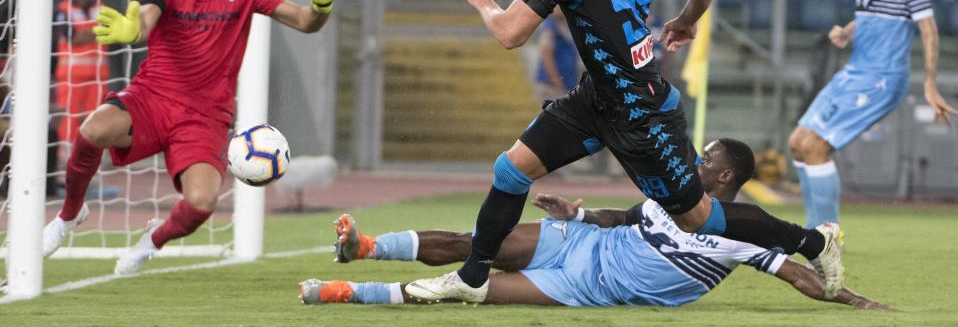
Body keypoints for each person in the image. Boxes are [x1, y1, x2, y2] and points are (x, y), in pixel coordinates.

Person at [404, 0, 843, 304]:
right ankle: (473, 276)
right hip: (596, 98)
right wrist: (686, 20)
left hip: (640, 111)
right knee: (511, 169)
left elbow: (510, 33)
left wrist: (484, 2)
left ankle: (812, 242)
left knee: (698, 218)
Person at [41, 0, 338, 275]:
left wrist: (321, 4)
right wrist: (131, 31)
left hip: (205, 117)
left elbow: (305, 22)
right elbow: (146, 18)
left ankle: (151, 242)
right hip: (153, 99)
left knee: (201, 203)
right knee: (93, 129)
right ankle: (68, 216)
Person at [301, 139, 888, 311]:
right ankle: (364, 245)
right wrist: (576, 214)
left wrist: (853, 300)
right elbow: (624, 217)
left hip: (586, 286)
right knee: (475, 244)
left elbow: (799, 278)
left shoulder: (743, 233)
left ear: (727, 175)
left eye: (706, 158)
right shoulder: (670, 193)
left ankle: (346, 293)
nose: (696, 160)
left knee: (469, 291)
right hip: (583, 240)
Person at [789, 0, 958, 228]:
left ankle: (822, 238)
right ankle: (816, 234)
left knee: (816, 147)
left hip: (882, 77)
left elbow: (927, 28)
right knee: (798, 143)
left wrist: (929, 82)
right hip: (856, 70)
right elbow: (873, 13)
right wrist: (848, 32)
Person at [53, 0, 108, 152]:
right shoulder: (63, 9)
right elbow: (72, 37)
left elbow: (108, 33)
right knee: (69, 116)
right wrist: (94, 31)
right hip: (71, 75)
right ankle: (66, 154)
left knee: (99, 115)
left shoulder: (100, 7)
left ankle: (96, 153)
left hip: (97, 74)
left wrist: (84, 33)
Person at [531, 6, 579, 102]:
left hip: (567, 84)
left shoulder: (567, 25)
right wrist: (556, 81)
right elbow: (546, 54)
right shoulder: (550, 27)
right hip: (552, 86)